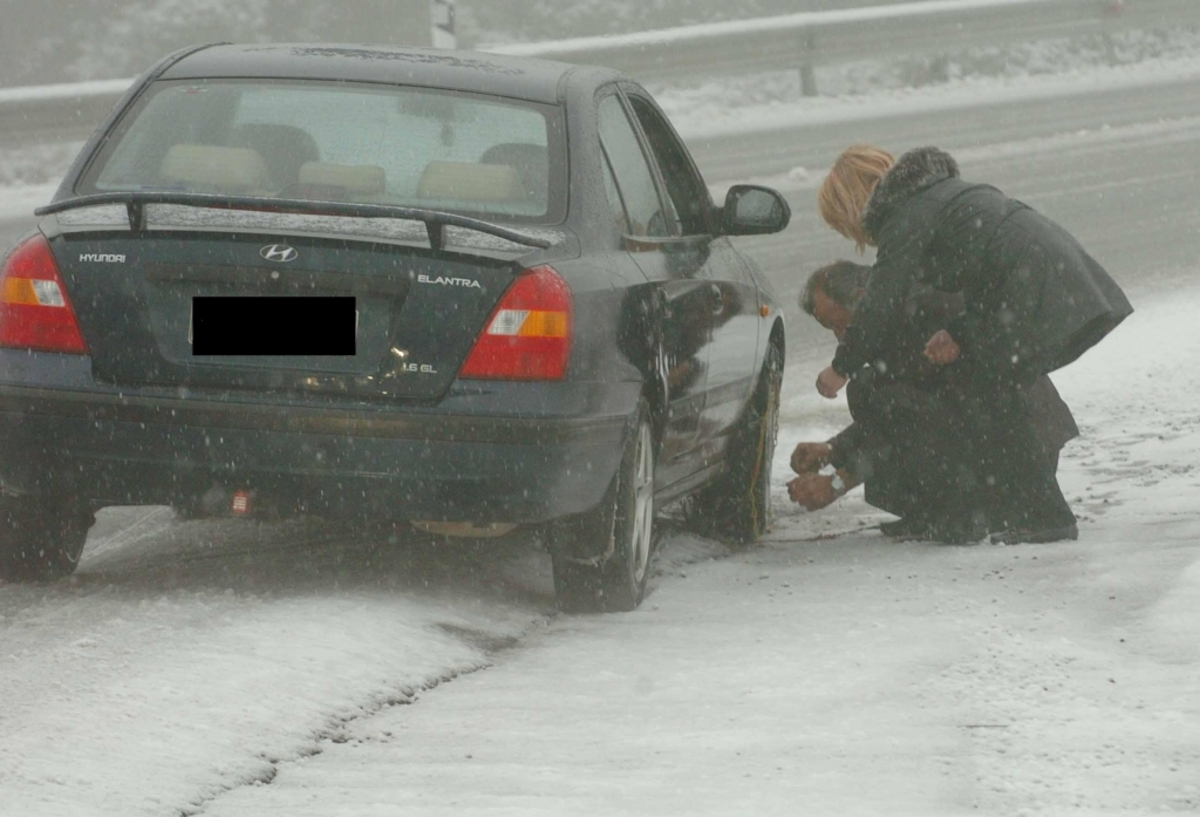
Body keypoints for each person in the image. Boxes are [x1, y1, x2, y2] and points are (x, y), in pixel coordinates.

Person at [813, 145, 1132, 543]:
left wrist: (840, 367)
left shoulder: (906, 216)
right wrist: (959, 334)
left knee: (990, 395)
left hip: (1034, 284)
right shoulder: (930, 199)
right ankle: (1005, 513)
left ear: (853, 205)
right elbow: (979, 277)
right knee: (987, 391)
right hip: (1046, 274)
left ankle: (1039, 518)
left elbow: (882, 302)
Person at [787, 260, 1079, 543]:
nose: (840, 338)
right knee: (871, 393)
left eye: (838, 325)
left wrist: (837, 483)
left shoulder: (917, 314)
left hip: (1019, 451)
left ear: (862, 299)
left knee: (872, 394)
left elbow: (901, 419)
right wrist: (833, 450)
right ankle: (939, 512)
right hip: (991, 436)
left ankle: (962, 514)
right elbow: (898, 417)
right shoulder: (895, 309)